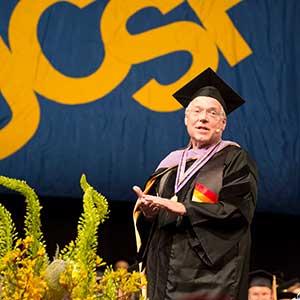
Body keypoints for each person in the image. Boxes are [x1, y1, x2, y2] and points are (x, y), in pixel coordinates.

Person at [132, 67, 258, 300]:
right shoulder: (169, 164)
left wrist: (185, 208)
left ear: (222, 123)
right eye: (197, 111)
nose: (203, 117)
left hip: (207, 280)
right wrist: (149, 214)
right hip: (161, 272)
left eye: (212, 113)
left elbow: (238, 212)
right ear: (186, 119)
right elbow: (154, 219)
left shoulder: (234, 159)